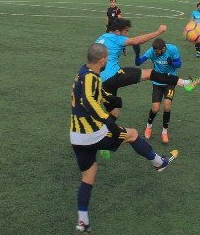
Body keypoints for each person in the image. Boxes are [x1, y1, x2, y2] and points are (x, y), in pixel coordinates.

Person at [71, 43, 179, 233]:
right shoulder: (91, 78)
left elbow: (92, 95)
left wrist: (108, 99)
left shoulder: (82, 73)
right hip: (93, 134)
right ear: (103, 60)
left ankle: (82, 220)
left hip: (77, 137)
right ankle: (159, 163)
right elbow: (88, 101)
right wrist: (108, 122)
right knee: (132, 134)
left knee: (88, 176)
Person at [95, 18, 200, 100]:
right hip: (113, 75)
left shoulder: (101, 37)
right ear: (118, 31)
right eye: (126, 31)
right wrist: (158, 32)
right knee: (150, 73)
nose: (127, 34)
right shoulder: (117, 38)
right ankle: (185, 83)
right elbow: (136, 40)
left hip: (101, 80)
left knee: (114, 113)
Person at [135, 38, 181, 143]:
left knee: (167, 106)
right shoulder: (152, 51)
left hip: (170, 81)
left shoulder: (173, 49)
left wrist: (172, 63)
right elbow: (138, 62)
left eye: (158, 51)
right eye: (155, 51)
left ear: (164, 48)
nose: (156, 53)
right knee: (155, 108)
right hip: (157, 82)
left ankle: (164, 132)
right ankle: (148, 126)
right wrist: (137, 53)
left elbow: (179, 64)